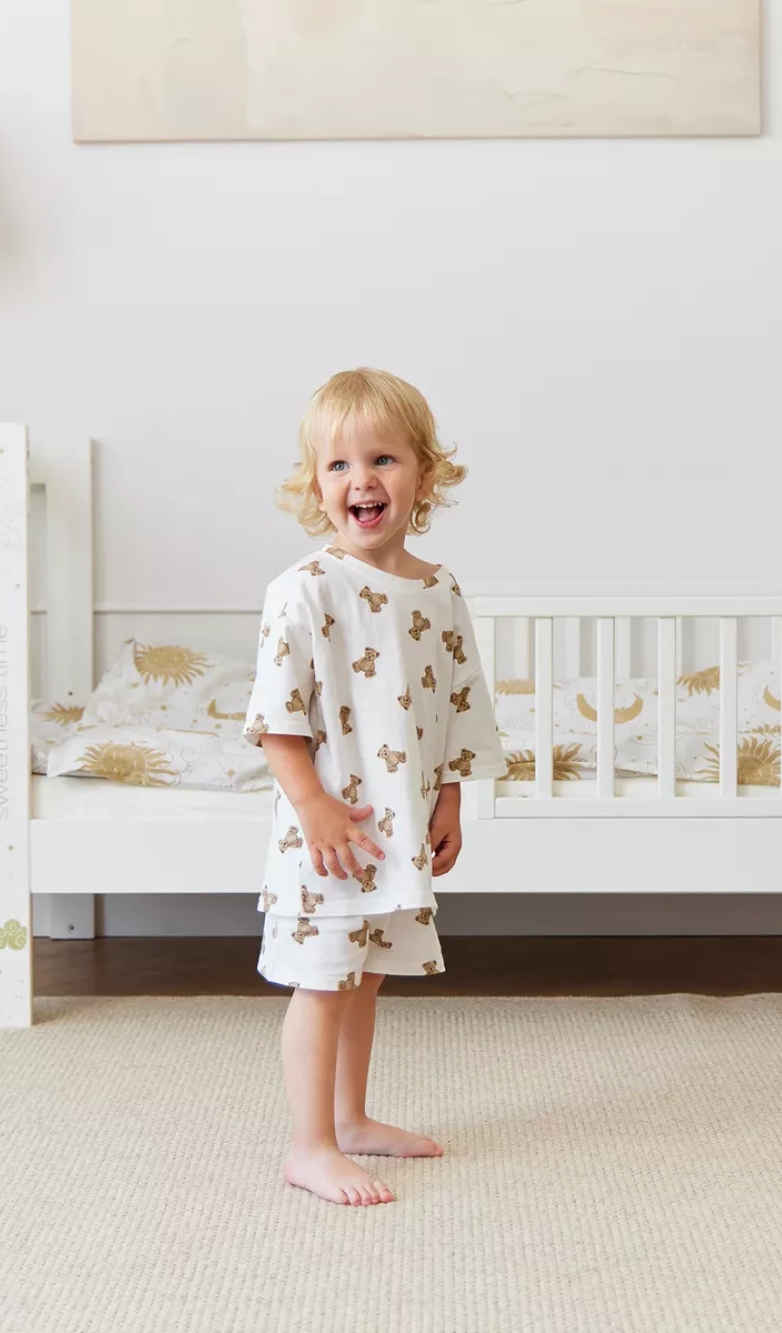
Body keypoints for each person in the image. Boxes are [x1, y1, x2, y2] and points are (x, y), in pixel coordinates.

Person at [244, 367, 506, 1206]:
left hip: (395, 828)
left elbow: (460, 703)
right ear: (316, 484)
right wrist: (314, 808)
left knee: (365, 977)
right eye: (339, 465)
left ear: (425, 473)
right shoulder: (305, 590)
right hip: (328, 833)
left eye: (383, 459)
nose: (361, 479)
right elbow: (276, 721)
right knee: (322, 981)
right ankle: (309, 1144)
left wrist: (451, 798)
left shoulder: (439, 589)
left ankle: (350, 1120)